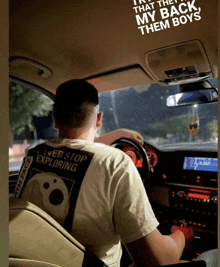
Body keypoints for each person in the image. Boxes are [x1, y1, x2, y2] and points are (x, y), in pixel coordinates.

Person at [15, 79, 186, 267]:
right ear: (99, 119)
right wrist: (183, 236)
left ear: (55, 120)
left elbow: (77, 151)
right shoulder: (116, 163)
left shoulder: (34, 155)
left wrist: (116, 134)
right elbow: (157, 261)